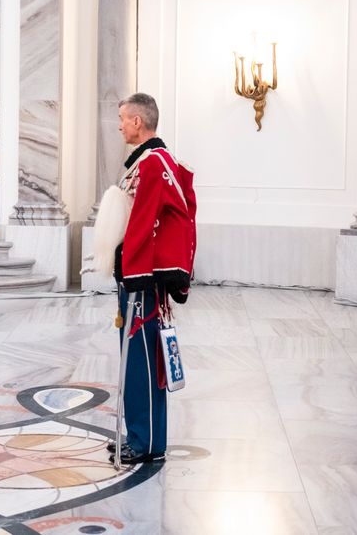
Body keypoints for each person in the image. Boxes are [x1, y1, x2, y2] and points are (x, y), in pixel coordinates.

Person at [110, 92, 196, 465]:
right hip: (143, 273)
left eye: (123, 119)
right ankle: (147, 438)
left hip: (142, 277)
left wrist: (131, 272)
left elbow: (143, 222)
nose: (119, 125)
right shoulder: (158, 160)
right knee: (146, 360)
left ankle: (143, 442)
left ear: (138, 123)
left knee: (142, 362)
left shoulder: (150, 163)